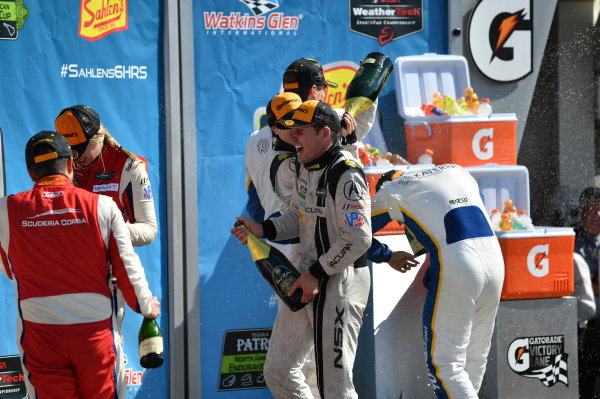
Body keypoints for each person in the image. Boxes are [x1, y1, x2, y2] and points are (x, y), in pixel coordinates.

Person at [0, 131, 160, 398]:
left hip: (39, 333)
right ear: (71, 165)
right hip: (94, 334)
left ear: (30, 173)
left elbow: (7, 268)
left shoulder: (5, 211)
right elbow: (127, 268)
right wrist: (146, 306)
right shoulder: (104, 207)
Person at [232, 100, 371, 399]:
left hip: (339, 284)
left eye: (301, 131)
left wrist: (316, 274)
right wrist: (263, 228)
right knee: (278, 372)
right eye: (291, 130)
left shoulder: (346, 173)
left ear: (324, 134)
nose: (292, 137)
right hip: (308, 278)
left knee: (336, 388)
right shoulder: (305, 168)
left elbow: (358, 238)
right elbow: (297, 217)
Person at [370, 164, 505, 399]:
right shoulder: (455, 170)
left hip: (459, 265)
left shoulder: (391, 190)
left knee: (445, 365)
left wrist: (387, 255)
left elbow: (354, 232)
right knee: (474, 359)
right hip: (495, 260)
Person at [54, 104, 158, 383]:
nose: (74, 159)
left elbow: (149, 230)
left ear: (98, 138)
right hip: (64, 278)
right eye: (69, 150)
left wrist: (110, 230)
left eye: (80, 150)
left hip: (107, 281)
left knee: (104, 364)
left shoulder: (130, 166)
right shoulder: (62, 160)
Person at [282, 57, 372, 160]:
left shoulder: (273, 126)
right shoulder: (323, 125)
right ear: (314, 91)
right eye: (324, 88)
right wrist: (368, 84)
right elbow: (347, 171)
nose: (325, 95)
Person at [574, 187, 600, 398]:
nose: (598, 216)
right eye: (593, 210)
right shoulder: (572, 240)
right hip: (584, 324)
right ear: (582, 211)